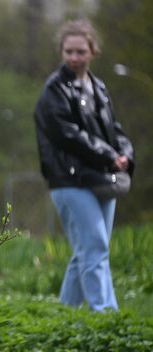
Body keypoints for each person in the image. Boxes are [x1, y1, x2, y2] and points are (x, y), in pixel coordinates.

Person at [34, 19, 134, 312]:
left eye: (80, 51)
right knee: (95, 247)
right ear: (62, 52)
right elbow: (69, 136)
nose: (74, 57)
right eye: (69, 51)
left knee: (85, 253)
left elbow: (112, 129)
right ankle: (105, 313)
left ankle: (66, 313)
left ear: (93, 51)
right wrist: (108, 156)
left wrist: (125, 154)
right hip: (69, 179)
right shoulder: (54, 91)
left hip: (100, 177)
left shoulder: (98, 88)